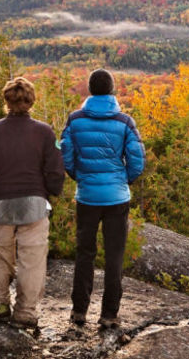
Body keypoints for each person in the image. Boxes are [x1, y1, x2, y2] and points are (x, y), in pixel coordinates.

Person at [0, 77, 65, 330]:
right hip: (35, 203)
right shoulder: (45, 132)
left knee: (0, 256)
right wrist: (50, 192)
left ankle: (0, 304)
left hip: (1, 203)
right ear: (31, 101)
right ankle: (25, 311)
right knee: (31, 260)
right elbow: (56, 169)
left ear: (7, 100)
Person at [61, 68, 145, 330]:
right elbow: (137, 160)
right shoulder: (125, 121)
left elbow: (66, 153)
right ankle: (109, 314)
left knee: (84, 253)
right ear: (111, 90)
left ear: (90, 90)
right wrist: (124, 180)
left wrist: (80, 176)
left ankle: (79, 311)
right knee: (114, 256)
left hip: (87, 196)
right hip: (116, 198)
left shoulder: (75, 120)